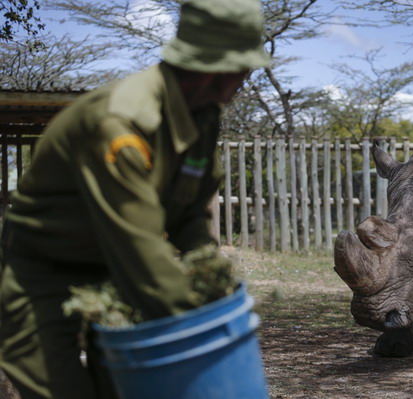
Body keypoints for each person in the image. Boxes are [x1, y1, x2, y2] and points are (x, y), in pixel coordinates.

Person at [0, 0, 270, 398]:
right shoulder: (120, 124)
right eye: (244, 68)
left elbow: (188, 216)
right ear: (215, 68)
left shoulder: (202, 117)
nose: (246, 79)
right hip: (43, 271)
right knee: (63, 390)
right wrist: (203, 323)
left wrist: (211, 282)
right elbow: (137, 245)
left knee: (124, 389)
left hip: (113, 268)